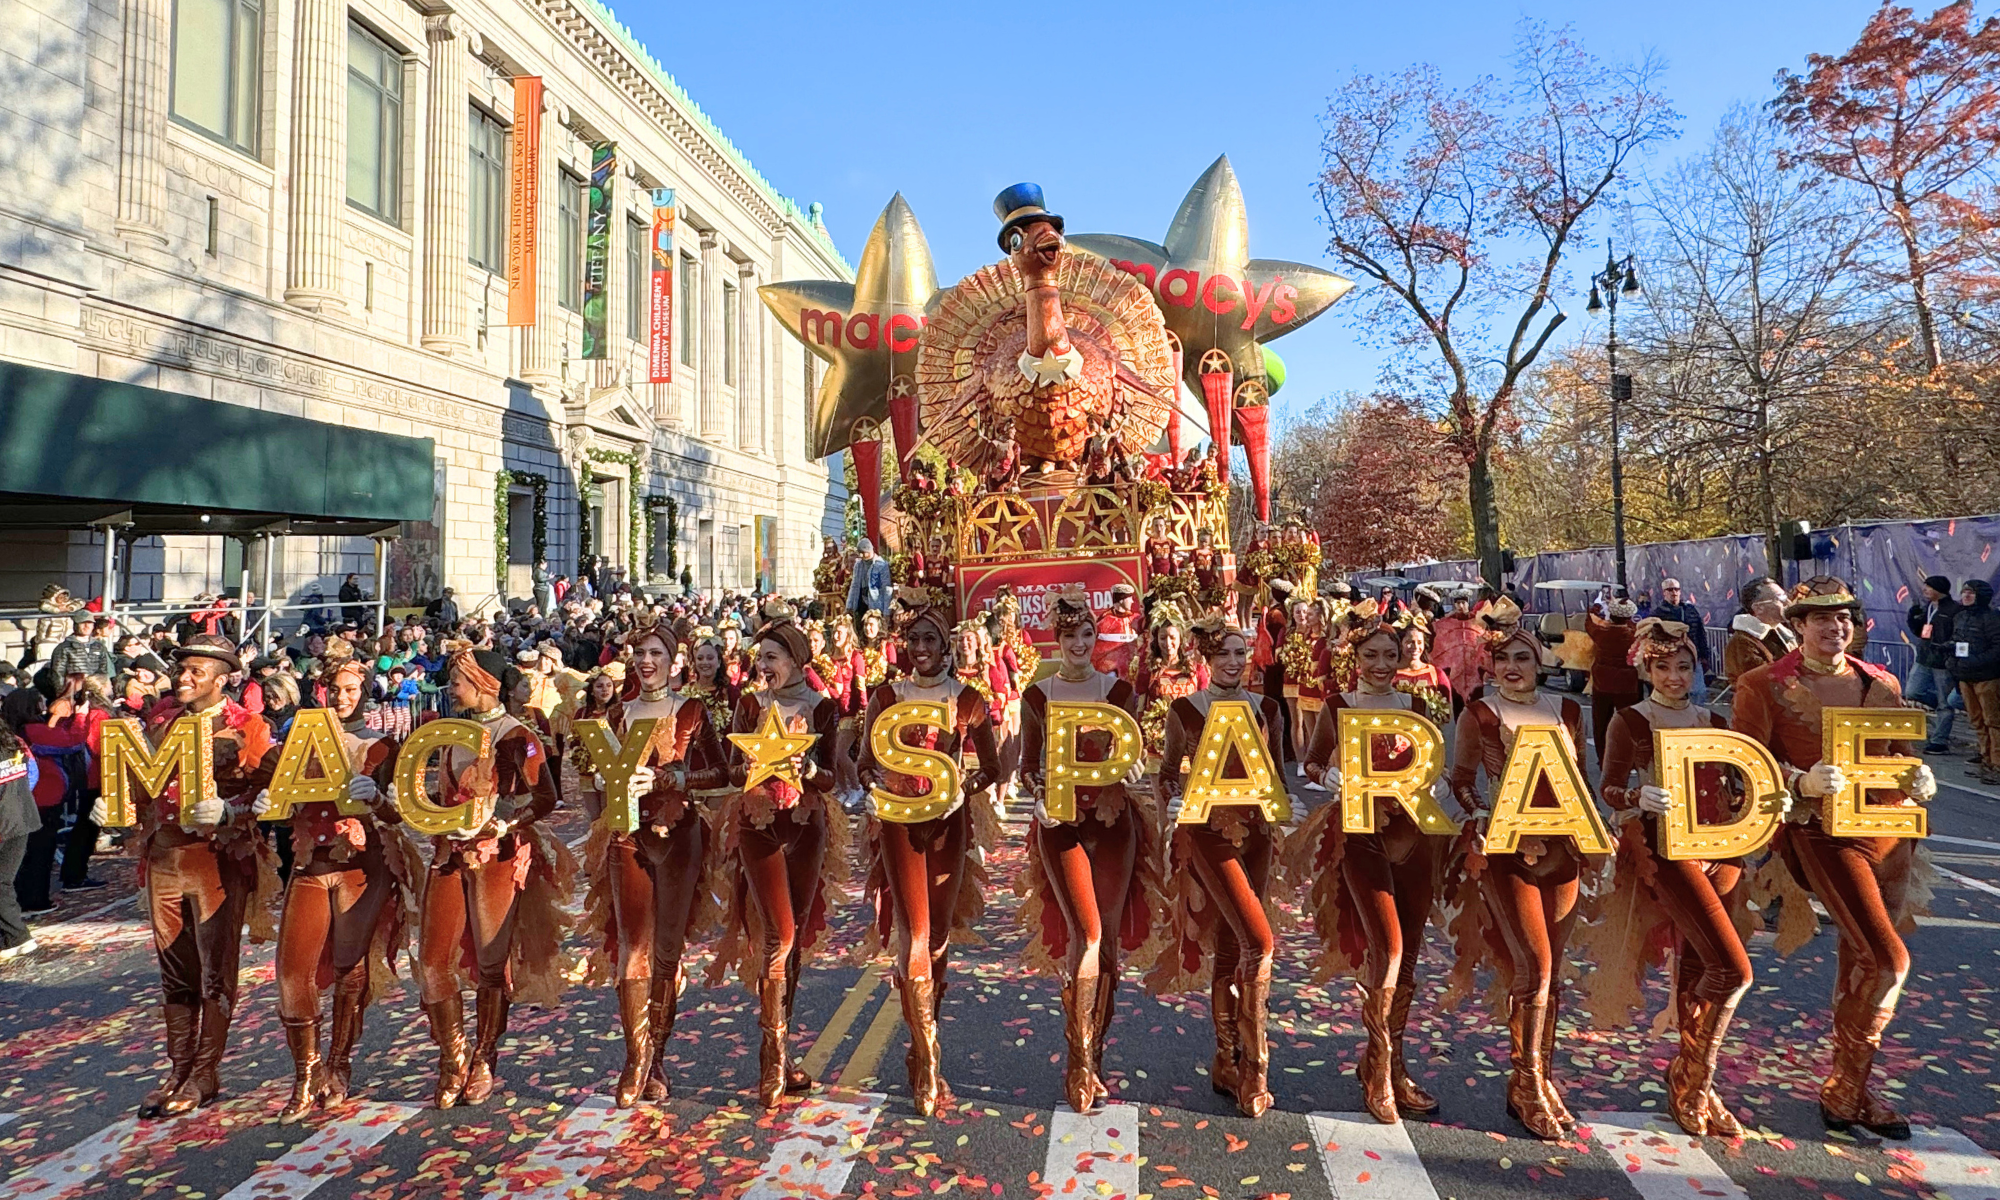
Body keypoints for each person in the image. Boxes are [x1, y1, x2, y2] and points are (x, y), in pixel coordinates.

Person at [1732, 576, 1935, 1138]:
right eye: (1819, 616)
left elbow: (1897, 751)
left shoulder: (1881, 680)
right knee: (1888, 959)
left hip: (1890, 835)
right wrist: (1799, 779)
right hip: (1821, 833)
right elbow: (1739, 763)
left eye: (1843, 615)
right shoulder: (1763, 683)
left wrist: (1917, 774)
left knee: (1860, 960)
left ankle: (1849, 1087)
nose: (1834, 625)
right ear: (1796, 626)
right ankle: (1846, 1090)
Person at [1593, 619, 1751, 1137]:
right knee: (1732, 970)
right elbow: (1610, 787)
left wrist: (1767, 803)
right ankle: (1695, 1077)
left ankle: (1692, 1083)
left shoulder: (1716, 720)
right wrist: (1638, 797)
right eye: (1663, 667)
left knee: (1699, 961)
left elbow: (1739, 783)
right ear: (1645, 668)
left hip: (1720, 848)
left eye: (1684, 666)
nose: (1675, 676)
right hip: (1664, 847)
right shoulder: (1630, 721)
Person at [1292, 621, 1451, 1124]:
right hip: (1361, 838)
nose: (1382, 666)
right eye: (1372, 656)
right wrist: (1328, 776)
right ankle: (1379, 1069)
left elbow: (1435, 766)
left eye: (1391, 655)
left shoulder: (1416, 706)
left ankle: (1391, 1064)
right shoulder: (1339, 706)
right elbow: (1311, 763)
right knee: (1389, 947)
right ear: (1355, 657)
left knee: (1410, 958)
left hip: (1415, 840)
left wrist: (1441, 782)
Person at [1016, 591, 1165, 1113]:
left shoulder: (1119, 691)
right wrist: (1037, 796)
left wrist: (1134, 770)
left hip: (1114, 825)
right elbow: (1027, 765)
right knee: (1088, 932)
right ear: (1056, 640)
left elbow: (1136, 756)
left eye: (1087, 635)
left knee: (1109, 944)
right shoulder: (1037, 696)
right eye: (1070, 636)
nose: (1080, 644)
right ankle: (1077, 1060)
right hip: (1062, 826)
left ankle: (1095, 1053)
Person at [120, 635, 279, 1118]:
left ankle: (206, 1073)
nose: (184, 679)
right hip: (165, 861)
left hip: (217, 864)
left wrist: (232, 812)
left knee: (214, 970)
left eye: (196, 672)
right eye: (182, 669)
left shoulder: (250, 727)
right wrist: (121, 806)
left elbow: (269, 797)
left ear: (224, 677)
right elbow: (141, 789)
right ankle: (179, 1068)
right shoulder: (161, 721)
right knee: (174, 971)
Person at [853, 593, 1000, 1115]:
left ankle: (924, 1038)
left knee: (938, 936)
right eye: (913, 640)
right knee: (914, 933)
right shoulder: (885, 696)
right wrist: (872, 785)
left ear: (946, 647)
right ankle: (927, 1059)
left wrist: (966, 787)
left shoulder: (968, 698)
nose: (920, 648)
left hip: (949, 823)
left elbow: (993, 767)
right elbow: (863, 761)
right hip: (898, 823)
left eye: (930, 640)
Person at [577, 616, 728, 1107]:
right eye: (639, 652)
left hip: (680, 835)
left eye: (656, 654)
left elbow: (720, 772)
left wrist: (672, 780)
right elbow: (591, 773)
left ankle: (657, 1056)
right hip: (628, 838)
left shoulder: (693, 712)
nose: (646, 661)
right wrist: (602, 785)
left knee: (667, 951)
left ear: (673, 661)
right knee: (632, 947)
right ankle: (634, 1058)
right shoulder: (617, 715)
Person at [1445, 627, 1589, 1140]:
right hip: (1508, 851)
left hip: (1563, 851)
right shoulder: (1480, 713)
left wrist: (1598, 835)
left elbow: (1583, 784)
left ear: (1539, 662)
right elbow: (1460, 781)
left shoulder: (1567, 712)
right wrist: (1481, 815)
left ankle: (1540, 1077)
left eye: (1522, 657)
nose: (1512, 666)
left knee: (1553, 972)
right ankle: (1525, 1082)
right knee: (1535, 965)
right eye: (1501, 657)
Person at [268, 657, 420, 1122]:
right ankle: (305, 1072)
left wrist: (376, 799)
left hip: (363, 864)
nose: (343, 696)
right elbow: (275, 798)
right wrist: (262, 803)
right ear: (322, 690)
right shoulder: (297, 741)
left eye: (352, 689)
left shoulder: (382, 746)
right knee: (294, 973)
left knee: (350, 967)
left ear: (365, 692)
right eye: (336, 688)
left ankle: (339, 1061)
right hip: (310, 863)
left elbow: (401, 815)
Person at [416, 649, 568, 1110]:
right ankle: (452, 1057)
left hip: (496, 854)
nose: (451, 689)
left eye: (458, 681)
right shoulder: (446, 735)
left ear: (484, 682)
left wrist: (507, 823)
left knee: (489, 962)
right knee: (431, 960)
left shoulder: (519, 735)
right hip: (449, 853)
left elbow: (546, 796)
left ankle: (484, 1057)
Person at [709, 607, 845, 1108]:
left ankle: (784, 1055)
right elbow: (728, 769)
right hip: (759, 826)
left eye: (772, 657)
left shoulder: (823, 708)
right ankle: (770, 1061)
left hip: (806, 828)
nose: (762, 665)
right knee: (778, 935)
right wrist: (748, 761)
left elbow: (833, 776)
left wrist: (807, 769)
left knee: (796, 943)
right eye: (759, 657)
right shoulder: (749, 705)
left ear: (796, 658)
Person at [1150, 617, 1285, 1117]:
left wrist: (1281, 819)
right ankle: (1255, 1066)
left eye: (1240, 652)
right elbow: (1165, 776)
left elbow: (1274, 775)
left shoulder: (1267, 707)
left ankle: (1225, 1059)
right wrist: (1171, 801)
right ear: (1206, 660)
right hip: (1207, 833)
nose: (1234, 661)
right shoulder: (1185, 710)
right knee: (1259, 941)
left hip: (1258, 834)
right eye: (1224, 653)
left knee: (1233, 947)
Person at [1586, 598, 1642, 772]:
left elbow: (1588, 624)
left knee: (1601, 724)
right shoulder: (1633, 634)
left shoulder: (1602, 633)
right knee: (1630, 725)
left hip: (1602, 684)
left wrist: (1593, 609)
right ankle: (1632, 761)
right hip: (1627, 685)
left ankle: (1603, 760)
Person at [1953, 579, 2000, 783]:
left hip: (1988, 677)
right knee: (1977, 721)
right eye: (1964, 592)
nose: (1966, 596)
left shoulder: (1992, 618)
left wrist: (1975, 662)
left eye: (1971, 592)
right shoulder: (1960, 617)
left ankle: (1997, 765)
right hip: (1966, 677)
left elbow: (1997, 648)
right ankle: (1986, 760)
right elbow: (1957, 641)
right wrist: (1951, 660)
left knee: (1993, 722)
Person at [0, 719, 37, 959]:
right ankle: (12, 936)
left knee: (1, 882)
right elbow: (33, 773)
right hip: (22, 815)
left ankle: (16, 936)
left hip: (4, 822)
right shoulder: (16, 742)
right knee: (4, 880)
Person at [1722, 576, 1798, 685]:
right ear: (1758, 608)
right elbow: (1761, 681)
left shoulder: (1785, 631)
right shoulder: (1742, 641)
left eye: (1786, 596)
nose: (1788, 602)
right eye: (1780, 598)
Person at [1650, 579, 1711, 702]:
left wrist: (1704, 655)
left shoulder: (1690, 610)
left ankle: (1697, 719)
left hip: (1694, 657)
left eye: (1676, 589)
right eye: (1670, 589)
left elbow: (1700, 632)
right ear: (1664, 593)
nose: (1674, 592)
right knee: (1674, 692)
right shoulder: (1658, 613)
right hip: (1671, 659)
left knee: (1698, 692)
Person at [847, 539, 893, 624]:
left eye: (863, 552)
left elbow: (887, 589)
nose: (861, 555)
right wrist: (849, 606)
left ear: (870, 550)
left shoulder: (881, 565)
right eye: (860, 553)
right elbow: (854, 585)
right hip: (860, 602)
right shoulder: (858, 565)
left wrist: (887, 611)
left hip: (876, 603)